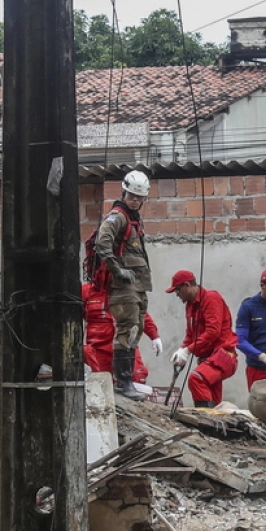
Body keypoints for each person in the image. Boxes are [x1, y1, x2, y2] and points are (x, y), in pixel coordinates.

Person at [94, 170, 153, 400]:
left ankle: (127, 381)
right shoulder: (118, 216)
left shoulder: (134, 218)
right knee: (126, 330)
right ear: (124, 192)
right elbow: (102, 243)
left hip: (138, 286)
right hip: (124, 287)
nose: (135, 200)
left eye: (139, 197)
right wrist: (118, 270)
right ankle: (123, 383)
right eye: (131, 195)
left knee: (135, 330)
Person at [168, 271, 238, 408]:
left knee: (196, 379)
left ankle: (206, 421)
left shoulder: (211, 298)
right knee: (214, 402)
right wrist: (181, 351)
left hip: (222, 356)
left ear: (187, 285)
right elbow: (190, 335)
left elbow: (213, 332)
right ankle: (215, 424)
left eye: (177, 290)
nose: (177, 295)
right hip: (208, 359)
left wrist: (188, 351)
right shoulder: (190, 305)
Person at [82, 281, 163, 383]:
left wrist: (154, 336)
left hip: (125, 346)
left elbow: (139, 313)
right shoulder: (85, 291)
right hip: (99, 350)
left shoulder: (125, 289)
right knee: (102, 383)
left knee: (138, 377)